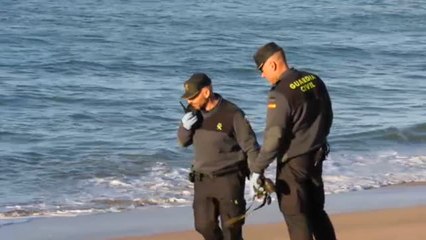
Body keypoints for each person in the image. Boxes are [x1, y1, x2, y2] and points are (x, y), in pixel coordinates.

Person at [249, 42, 337, 240]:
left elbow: (274, 138)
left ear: (272, 65)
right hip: (316, 158)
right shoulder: (314, 80)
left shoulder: (280, 94)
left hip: (293, 165)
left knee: (296, 217)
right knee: (317, 213)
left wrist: (257, 169)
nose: (263, 75)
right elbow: (328, 116)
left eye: (262, 70)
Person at [177, 73, 259, 240]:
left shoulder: (233, 114)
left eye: (192, 97)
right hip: (202, 180)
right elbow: (183, 142)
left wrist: (257, 174)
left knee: (232, 230)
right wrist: (185, 127)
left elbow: (250, 146)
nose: (189, 101)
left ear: (206, 92)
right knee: (203, 226)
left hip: (229, 180)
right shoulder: (193, 113)